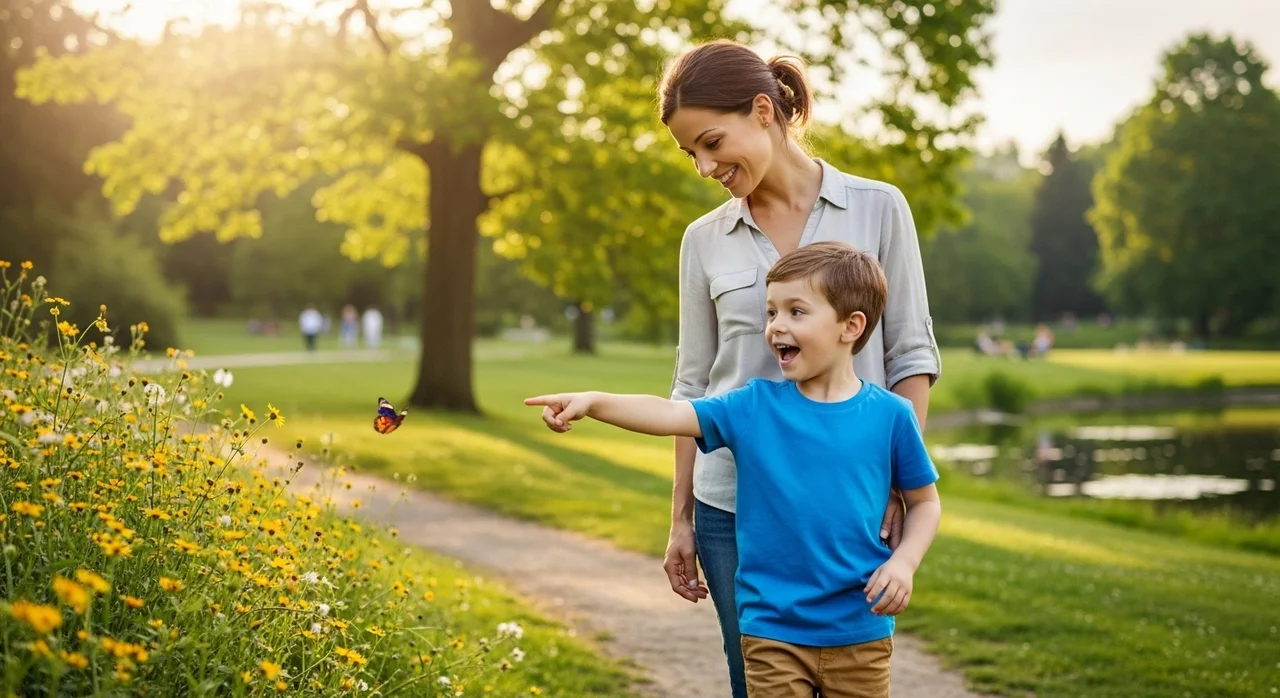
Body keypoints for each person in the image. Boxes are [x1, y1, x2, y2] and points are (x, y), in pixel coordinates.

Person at [526, 242, 942, 697]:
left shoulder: (892, 416)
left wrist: (904, 563)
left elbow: (924, 503)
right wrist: (593, 402)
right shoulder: (753, 406)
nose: (776, 326)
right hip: (772, 631)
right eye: (771, 312)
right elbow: (671, 414)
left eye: (796, 312)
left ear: (851, 326)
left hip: (860, 630)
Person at [655, 39, 942, 696]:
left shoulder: (878, 207)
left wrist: (898, 484)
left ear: (763, 111)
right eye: (689, 153)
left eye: (711, 142)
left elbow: (911, 355)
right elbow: (693, 383)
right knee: (755, 679)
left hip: (848, 502)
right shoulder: (703, 240)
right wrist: (681, 518)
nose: (703, 166)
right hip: (731, 506)